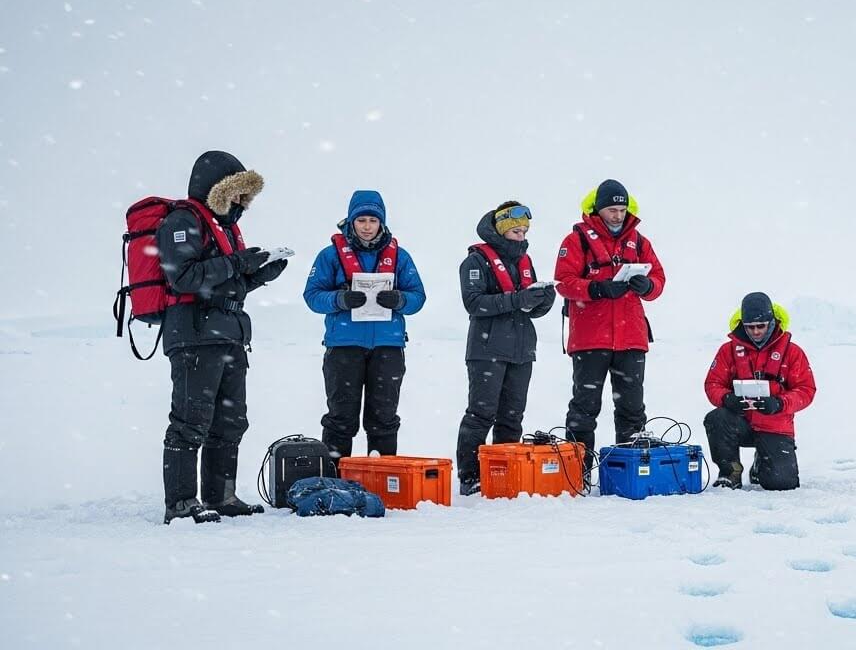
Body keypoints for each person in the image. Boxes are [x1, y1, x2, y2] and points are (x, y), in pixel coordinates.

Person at [158, 150, 289, 524]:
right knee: (191, 421)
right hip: (195, 334)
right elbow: (183, 277)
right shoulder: (183, 221)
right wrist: (238, 263)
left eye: (245, 196)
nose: (241, 203)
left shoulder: (225, 228)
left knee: (231, 421)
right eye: (236, 193)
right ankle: (181, 502)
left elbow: (226, 283)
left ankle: (221, 496)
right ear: (216, 189)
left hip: (228, 334)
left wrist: (259, 274)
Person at [303, 190, 426, 463]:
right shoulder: (330, 256)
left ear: (381, 222)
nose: (367, 227)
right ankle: (334, 476)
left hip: (388, 346)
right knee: (341, 418)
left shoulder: (400, 257)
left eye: (373, 220)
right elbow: (312, 295)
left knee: (384, 418)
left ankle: (383, 477)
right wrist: (339, 299)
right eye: (361, 220)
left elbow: (418, 297)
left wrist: (400, 299)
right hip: (344, 347)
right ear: (351, 221)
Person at [554, 179, 667, 466]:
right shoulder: (576, 241)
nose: (618, 216)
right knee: (584, 408)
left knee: (632, 410)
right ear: (599, 209)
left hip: (631, 339)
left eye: (622, 210)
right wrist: (597, 288)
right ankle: (578, 473)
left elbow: (659, 279)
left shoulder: (640, 242)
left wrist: (647, 286)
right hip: (590, 339)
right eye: (612, 210)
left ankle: (628, 471)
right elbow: (563, 282)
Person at [455, 202, 558, 496]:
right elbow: (474, 303)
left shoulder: (524, 260)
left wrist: (543, 300)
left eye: (524, 231)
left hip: (521, 350)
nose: (521, 236)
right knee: (480, 414)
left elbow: (529, 309)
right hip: (486, 348)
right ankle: (470, 476)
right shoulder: (476, 261)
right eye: (515, 231)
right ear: (501, 229)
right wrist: (517, 299)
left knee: (512, 417)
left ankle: (502, 471)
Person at [703, 292, 816, 490]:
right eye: (750, 327)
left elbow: (806, 390)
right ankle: (730, 472)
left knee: (781, 484)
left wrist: (780, 403)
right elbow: (713, 384)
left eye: (760, 326)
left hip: (775, 424)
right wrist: (727, 399)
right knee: (716, 418)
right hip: (740, 421)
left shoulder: (792, 352)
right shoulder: (727, 351)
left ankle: (760, 465)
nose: (755, 331)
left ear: (771, 322)